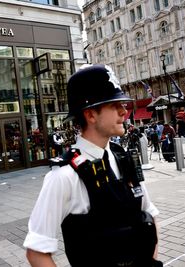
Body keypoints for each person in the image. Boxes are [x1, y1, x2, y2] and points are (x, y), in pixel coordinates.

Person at [24, 65, 161, 267]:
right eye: (114, 105)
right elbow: (36, 252)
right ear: (90, 115)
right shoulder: (64, 176)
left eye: (122, 104)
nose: (124, 111)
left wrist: (151, 260)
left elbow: (149, 215)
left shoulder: (122, 158)